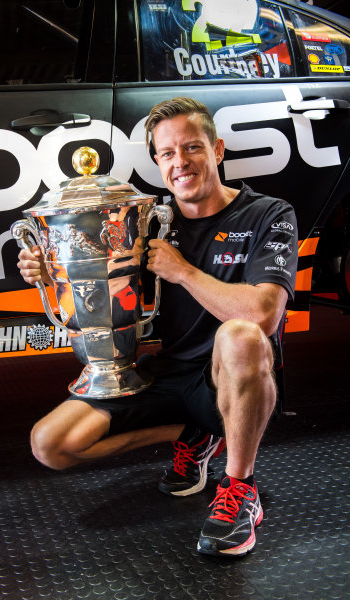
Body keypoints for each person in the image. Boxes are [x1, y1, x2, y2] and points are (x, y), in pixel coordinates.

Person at [17, 97, 298, 557]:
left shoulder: (267, 213)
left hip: (226, 382)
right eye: (167, 154)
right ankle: (190, 437)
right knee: (50, 444)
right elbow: (106, 299)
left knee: (241, 335)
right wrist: (52, 268)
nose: (180, 163)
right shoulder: (147, 225)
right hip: (165, 378)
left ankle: (239, 488)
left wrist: (182, 270)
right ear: (157, 162)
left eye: (191, 148)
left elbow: (265, 314)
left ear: (218, 150)